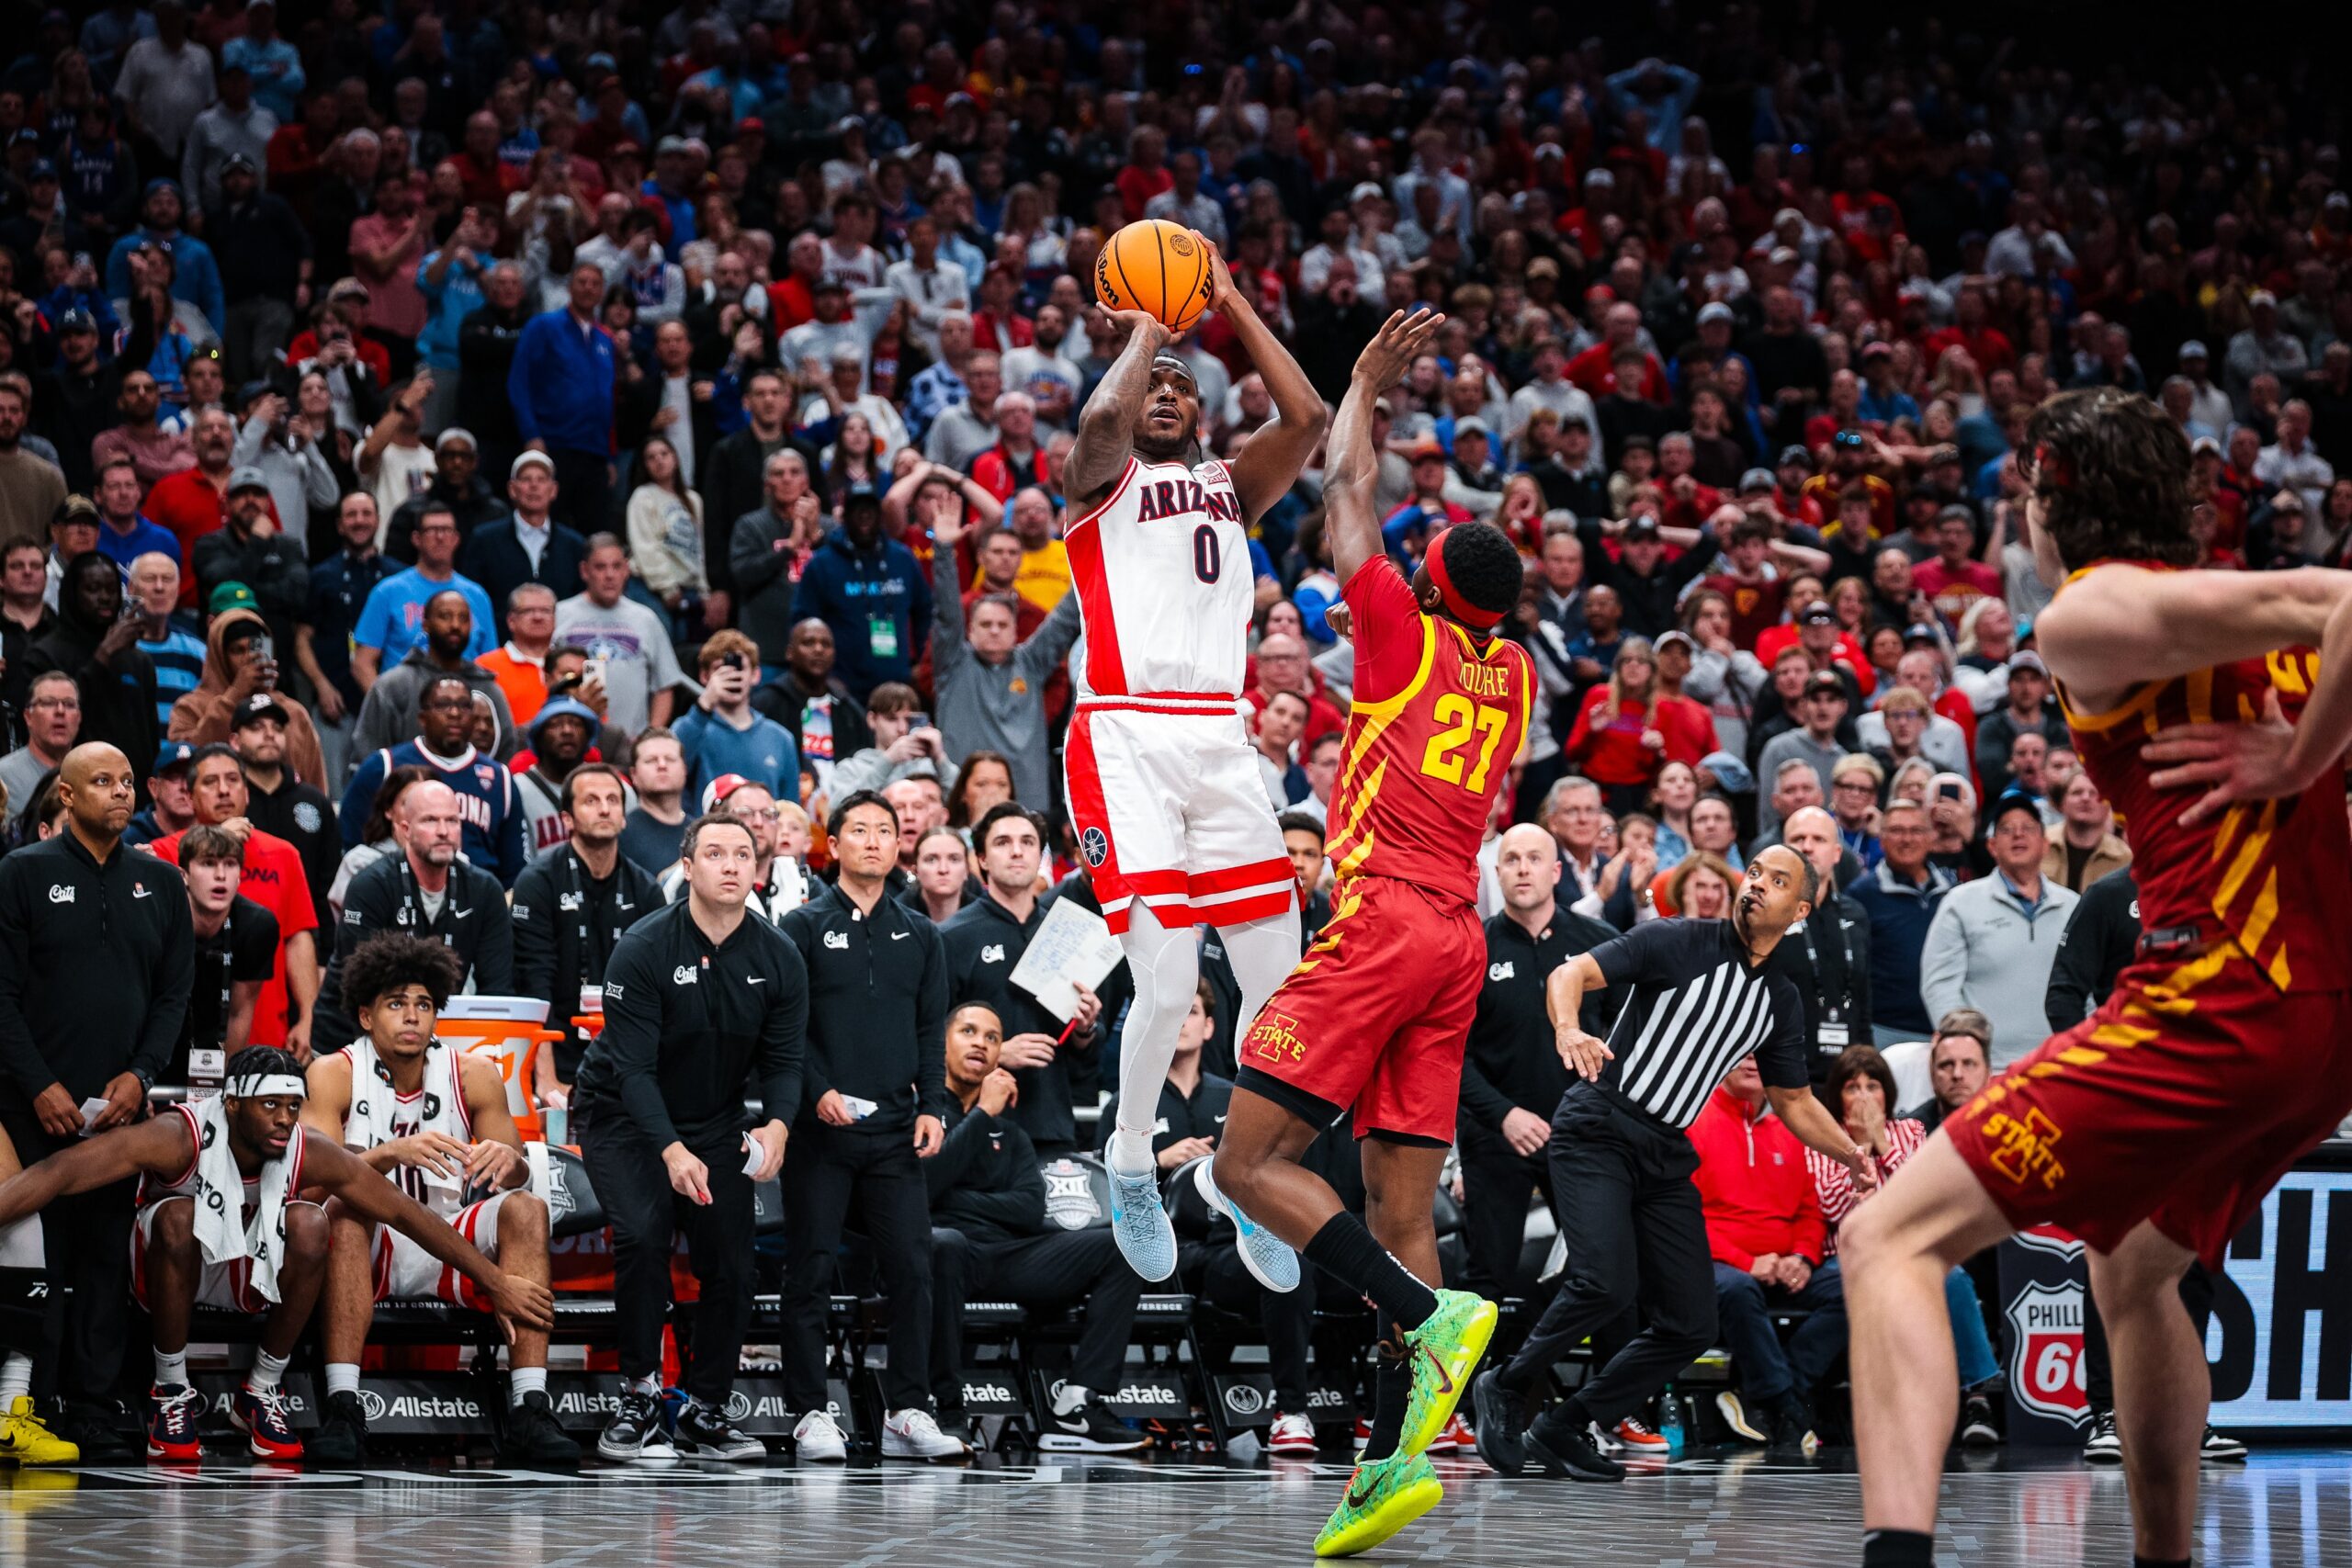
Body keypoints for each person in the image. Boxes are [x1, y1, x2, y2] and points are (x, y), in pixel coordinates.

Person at [1839, 387, 2352, 1568]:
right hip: (2320, 1020)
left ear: (2052, 497)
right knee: (2136, 1265)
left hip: (2220, 996)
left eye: (2024, 493)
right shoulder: (2223, 609)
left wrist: (2298, 757)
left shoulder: (2092, 610)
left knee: (1885, 1239)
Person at [1193, 310, 1531, 1556]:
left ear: (1429, 583)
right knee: (1401, 1205)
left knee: (1244, 1164)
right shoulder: (1516, 671)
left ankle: (1430, 1319)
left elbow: (1343, 487)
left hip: (1385, 913)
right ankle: (1391, 1462)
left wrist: (1363, 391)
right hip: (1458, 934)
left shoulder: (1397, 630)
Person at [1063, 239, 1322, 1292]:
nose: (1163, 393)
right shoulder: (1098, 483)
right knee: (1166, 978)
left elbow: (1305, 419)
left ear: (1204, 415)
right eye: (1151, 388)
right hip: (1122, 732)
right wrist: (1145, 334)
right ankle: (1129, 1152)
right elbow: (1094, 424)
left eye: (1180, 385)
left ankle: (1240, 1171)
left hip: (1220, 737)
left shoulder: (1229, 485)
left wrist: (1229, 304)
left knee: (1280, 987)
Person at [1469, 845, 1875, 1488]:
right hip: (1600, 1125)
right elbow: (1567, 975)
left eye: (1776, 880)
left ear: (1799, 910)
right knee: (1605, 1282)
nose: (1756, 885)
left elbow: (1794, 1100)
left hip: (1665, 1151)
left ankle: (1566, 1421)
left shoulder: (1780, 1000)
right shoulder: (1676, 939)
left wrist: (1851, 1153)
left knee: (1692, 1322)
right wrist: (1569, 1028)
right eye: (1754, 872)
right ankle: (1506, 1381)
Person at [0, 1043, 553, 1462]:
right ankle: (171, 1387)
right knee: (177, 1216)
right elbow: (58, 1174)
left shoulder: (304, 1147)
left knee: (313, 1222)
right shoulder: (175, 1136)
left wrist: (495, 1280)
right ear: (233, 1103)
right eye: (272, 1106)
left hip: (251, 1272)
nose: (286, 1120)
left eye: (293, 1106)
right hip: (170, 1273)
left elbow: (407, 1214)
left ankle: (261, 1389)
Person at [571, 811, 804, 1464]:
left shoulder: (778, 955)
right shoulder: (643, 946)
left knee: (732, 1256)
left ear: (758, 870)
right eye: (715, 852)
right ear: (688, 865)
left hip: (714, 1117)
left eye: (743, 854)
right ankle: (641, 1394)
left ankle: (706, 1407)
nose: (731, 865)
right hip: (621, 1112)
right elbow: (635, 1071)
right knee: (643, 1233)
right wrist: (671, 1151)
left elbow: (786, 1062)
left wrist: (779, 1124)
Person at [301, 935, 574, 1464]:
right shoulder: (332, 1073)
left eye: (423, 1004)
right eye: (396, 1003)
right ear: (364, 1015)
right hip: (370, 1250)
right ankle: (342, 1407)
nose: (411, 1017)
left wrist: (508, 1159)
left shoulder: (473, 1073)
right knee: (344, 1216)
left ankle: (529, 1407)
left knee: (527, 1210)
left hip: (450, 1243)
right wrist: (390, 1152)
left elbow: (517, 1171)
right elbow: (312, 1184)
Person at [0, 742, 194, 1460]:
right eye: (102, 782)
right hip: (31, 1104)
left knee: (106, 1256)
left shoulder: (160, 880)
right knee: (35, 1259)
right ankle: (32, 1403)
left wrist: (142, 1075)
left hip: (120, 1109)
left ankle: (93, 1403)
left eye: (127, 782)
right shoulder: (21, 874)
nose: (120, 793)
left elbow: (174, 993)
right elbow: (3, 996)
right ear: (68, 796)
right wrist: (38, 1084)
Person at [774, 790, 958, 1462]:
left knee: (914, 1265)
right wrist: (816, 1089)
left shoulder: (922, 933)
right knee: (811, 1268)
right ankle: (810, 1411)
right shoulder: (800, 926)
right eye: (860, 830)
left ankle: (908, 1408)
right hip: (821, 1129)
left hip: (895, 1127)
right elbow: (787, 1026)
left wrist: (936, 1105)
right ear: (835, 844)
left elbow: (929, 1029)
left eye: (886, 830)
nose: (875, 841)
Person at [927, 999, 1152, 1453]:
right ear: (941, 1044)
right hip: (944, 1256)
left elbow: (1030, 1210)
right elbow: (923, 1188)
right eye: (968, 1032)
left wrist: (957, 1199)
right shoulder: (926, 1114)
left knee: (1123, 1242)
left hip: (1009, 1256)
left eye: (992, 1037)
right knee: (944, 1242)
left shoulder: (1012, 1133)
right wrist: (981, 1117)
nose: (981, 1044)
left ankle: (1077, 1404)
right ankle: (945, 1406)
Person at [1457, 824, 1619, 1303]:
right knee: (1486, 1278)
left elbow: (1626, 1041)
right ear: (1497, 871)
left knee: (1603, 1273)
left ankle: (1604, 1381)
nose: (1523, 868)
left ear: (1555, 871)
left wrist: (1594, 1113)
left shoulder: (1601, 945)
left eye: (1533, 858)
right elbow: (1449, 1053)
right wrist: (1503, 1114)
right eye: (1511, 859)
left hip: (1582, 1133)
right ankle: (1478, 1380)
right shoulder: (1470, 949)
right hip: (1496, 1133)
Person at [1693, 1052, 1848, 1456]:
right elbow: (1683, 1218)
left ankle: (1768, 1393)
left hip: (1783, 1267)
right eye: (1741, 1052)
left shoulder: (1791, 1129)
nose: (1752, 1061)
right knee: (1738, 1288)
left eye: (1760, 1052)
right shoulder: (1694, 1120)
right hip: (1717, 1266)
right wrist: (1747, 1262)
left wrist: (1801, 1257)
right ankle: (1787, 1406)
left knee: (1858, 1283)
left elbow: (1810, 1212)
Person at [940, 804, 1104, 1156]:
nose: (1017, 851)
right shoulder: (952, 937)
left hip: (1053, 1120)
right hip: (973, 1121)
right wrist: (996, 1053)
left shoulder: (1071, 931)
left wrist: (1084, 1030)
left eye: (1028, 842)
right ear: (981, 859)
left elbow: (1086, 1058)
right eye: (1003, 842)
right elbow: (929, 1033)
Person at [144, 744, 322, 1056]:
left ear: (247, 792)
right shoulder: (163, 854)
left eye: (233, 780)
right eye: (210, 782)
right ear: (191, 795)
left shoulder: (283, 854)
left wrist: (308, 1017)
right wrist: (218, 840)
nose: (224, 790)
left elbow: (297, 938)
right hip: (184, 1038)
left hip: (267, 1033)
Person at [314, 779, 514, 1045]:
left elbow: (497, 988)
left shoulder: (485, 890)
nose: (444, 831)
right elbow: (363, 984)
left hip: (440, 1033)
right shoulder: (370, 886)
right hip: (350, 1034)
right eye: (430, 821)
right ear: (405, 829)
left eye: (452, 821)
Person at [513, 763, 660, 1108]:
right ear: (567, 819)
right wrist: (545, 1077)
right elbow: (533, 980)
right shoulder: (539, 881)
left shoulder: (646, 888)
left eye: (612, 800)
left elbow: (655, 988)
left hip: (624, 1050)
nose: (605, 808)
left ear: (625, 817)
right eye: (591, 800)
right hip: (556, 1044)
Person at [926, 504, 1081, 808]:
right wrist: (944, 549)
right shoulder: (952, 663)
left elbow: (1066, 616)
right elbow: (946, 614)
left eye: (1002, 625)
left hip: (1028, 808)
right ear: (969, 630)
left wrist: (1094, 548)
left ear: (1015, 631)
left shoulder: (1031, 662)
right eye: (985, 624)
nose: (994, 631)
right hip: (961, 807)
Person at [1917, 791, 2081, 1068]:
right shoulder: (1960, 902)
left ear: (2045, 844)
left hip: (2059, 1066)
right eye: (2006, 829)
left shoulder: (2073, 906)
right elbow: (1939, 985)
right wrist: (1965, 1056)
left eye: (2028, 828)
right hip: (1986, 1070)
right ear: (1992, 846)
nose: (2018, 835)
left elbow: (2086, 989)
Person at [340, 672, 528, 887]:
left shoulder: (500, 778)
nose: (454, 713)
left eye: (464, 706)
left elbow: (514, 868)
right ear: (422, 718)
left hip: (479, 900)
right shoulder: (384, 765)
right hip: (397, 893)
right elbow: (352, 835)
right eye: (442, 705)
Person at [23, 551, 159, 773]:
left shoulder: (138, 660)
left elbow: (149, 737)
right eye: (93, 589)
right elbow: (53, 721)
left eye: (111, 589)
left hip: (134, 792)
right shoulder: (44, 655)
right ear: (72, 594)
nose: (105, 597)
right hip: (71, 785)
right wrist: (102, 655)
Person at [352, 587, 521, 765]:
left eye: (463, 618)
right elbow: (366, 754)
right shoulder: (394, 685)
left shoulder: (489, 689)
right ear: (425, 624)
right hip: (408, 789)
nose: (455, 625)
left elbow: (507, 754)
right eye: (445, 616)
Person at [168, 822, 277, 1089]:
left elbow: (240, 1012)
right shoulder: (161, 919)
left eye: (230, 864)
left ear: (240, 875)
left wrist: (223, 1085)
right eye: (208, 864)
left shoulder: (257, 925)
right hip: (163, 1040)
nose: (220, 875)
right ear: (184, 874)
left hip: (212, 1050)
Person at [1771, 807, 1876, 1082]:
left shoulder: (1856, 915)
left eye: (1819, 839)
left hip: (1847, 1074)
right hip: (1785, 1073)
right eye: (1798, 839)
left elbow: (1862, 1000)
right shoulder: (1766, 915)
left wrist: (1865, 1065)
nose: (1807, 847)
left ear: (1837, 853)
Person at [1846, 800, 1955, 1044]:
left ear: (1930, 837)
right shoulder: (1860, 895)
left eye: (1916, 830)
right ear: (1881, 839)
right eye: (1896, 831)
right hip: (1883, 1029)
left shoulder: (1952, 895)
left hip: (1943, 1028)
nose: (1907, 839)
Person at [553, 534, 684, 737]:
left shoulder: (646, 619)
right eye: (600, 567)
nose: (609, 575)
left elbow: (664, 686)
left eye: (616, 567)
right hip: (571, 740)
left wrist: (650, 737)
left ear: (626, 570)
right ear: (584, 571)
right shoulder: (560, 614)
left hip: (630, 742)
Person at [230, 691, 338, 933]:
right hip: (241, 934)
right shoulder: (228, 801)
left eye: (277, 727)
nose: (269, 734)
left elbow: (327, 887)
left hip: (306, 934)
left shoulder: (314, 801)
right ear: (235, 741)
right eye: (256, 727)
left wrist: (324, 955)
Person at [351, 503, 498, 681]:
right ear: (416, 539)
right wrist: (386, 705)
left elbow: (491, 664)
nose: (440, 537)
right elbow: (362, 664)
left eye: (446, 530)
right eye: (432, 530)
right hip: (406, 699)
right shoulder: (387, 591)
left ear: (456, 539)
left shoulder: (477, 596)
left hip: (464, 701)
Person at [460, 451, 591, 643]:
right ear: (512, 489)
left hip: (561, 654)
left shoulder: (574, 544)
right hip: (500, 651)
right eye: (526, 479)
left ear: (553, 490)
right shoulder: (484, 539)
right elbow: (472, 600)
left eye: (541, 479)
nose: (534, 486)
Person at [676, 630, 797, 799]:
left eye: (739, 668)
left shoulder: (781, 739)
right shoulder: (691, 727)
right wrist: (705, 703)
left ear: (756, 675)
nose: (732, 676)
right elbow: (673, 763)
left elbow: (790, 809)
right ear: (704, 676)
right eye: (721, 669)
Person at [1904, 1010, 1994, 1135]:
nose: (1957, 1074)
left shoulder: (2013, 1131)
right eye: (1947, 1065)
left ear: (1988, 1073)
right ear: (1932, 1074)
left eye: (1969, 1064)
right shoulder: (1906, 1135)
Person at [618, 727, 689, 874]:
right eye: (651, 760)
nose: (662, 765)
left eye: (670, 759)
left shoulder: (701, 833)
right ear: (634, 774)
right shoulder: (620, 833)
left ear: (684, 770)